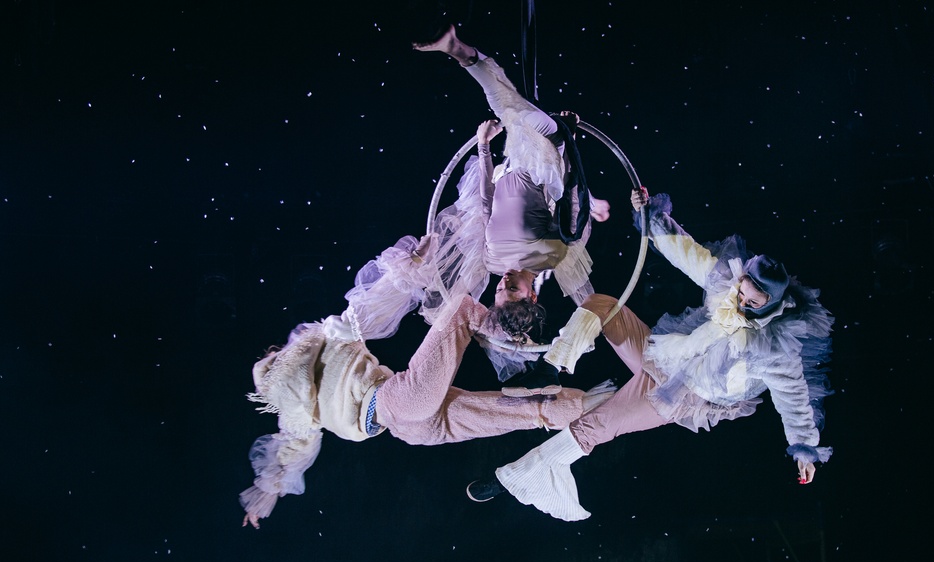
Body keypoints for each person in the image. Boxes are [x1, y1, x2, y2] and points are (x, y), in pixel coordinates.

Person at [465, 188, 835, 520]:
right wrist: (651, 217)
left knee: (595, 427)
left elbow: (794, 398)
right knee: (603, 303)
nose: (741, 303)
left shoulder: (775, 347)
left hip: (682, 394)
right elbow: (687, 252)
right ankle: (551, 368)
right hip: (664, 357)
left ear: (770, 304)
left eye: (752, 303)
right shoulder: (727, 280)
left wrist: (804, 448)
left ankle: (513, 478)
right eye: (741, 293)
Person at [239, 234, 614, 528]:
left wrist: (267, 494)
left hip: (406, 429)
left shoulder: (297, 401)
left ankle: (590, 405)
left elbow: (294, 448)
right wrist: (409, 267)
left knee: (513, 411)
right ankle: (511, 331)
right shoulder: (316, 344)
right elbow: (370, 306)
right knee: (463, 307)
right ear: (276, 357)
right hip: (395, 400)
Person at [414, 24, 611, 319]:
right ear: (532, 294)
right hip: (543, 156)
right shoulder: (552, 257)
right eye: (512, 289)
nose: (504, 282)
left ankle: (461, 52)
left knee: (509, 105)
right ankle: (459, 51)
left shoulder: (492, 262)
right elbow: (569, 197)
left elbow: (486, 204)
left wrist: (483, 146)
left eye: (499, 290)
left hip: (510, 161)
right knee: (508, 107)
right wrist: (568, 138)